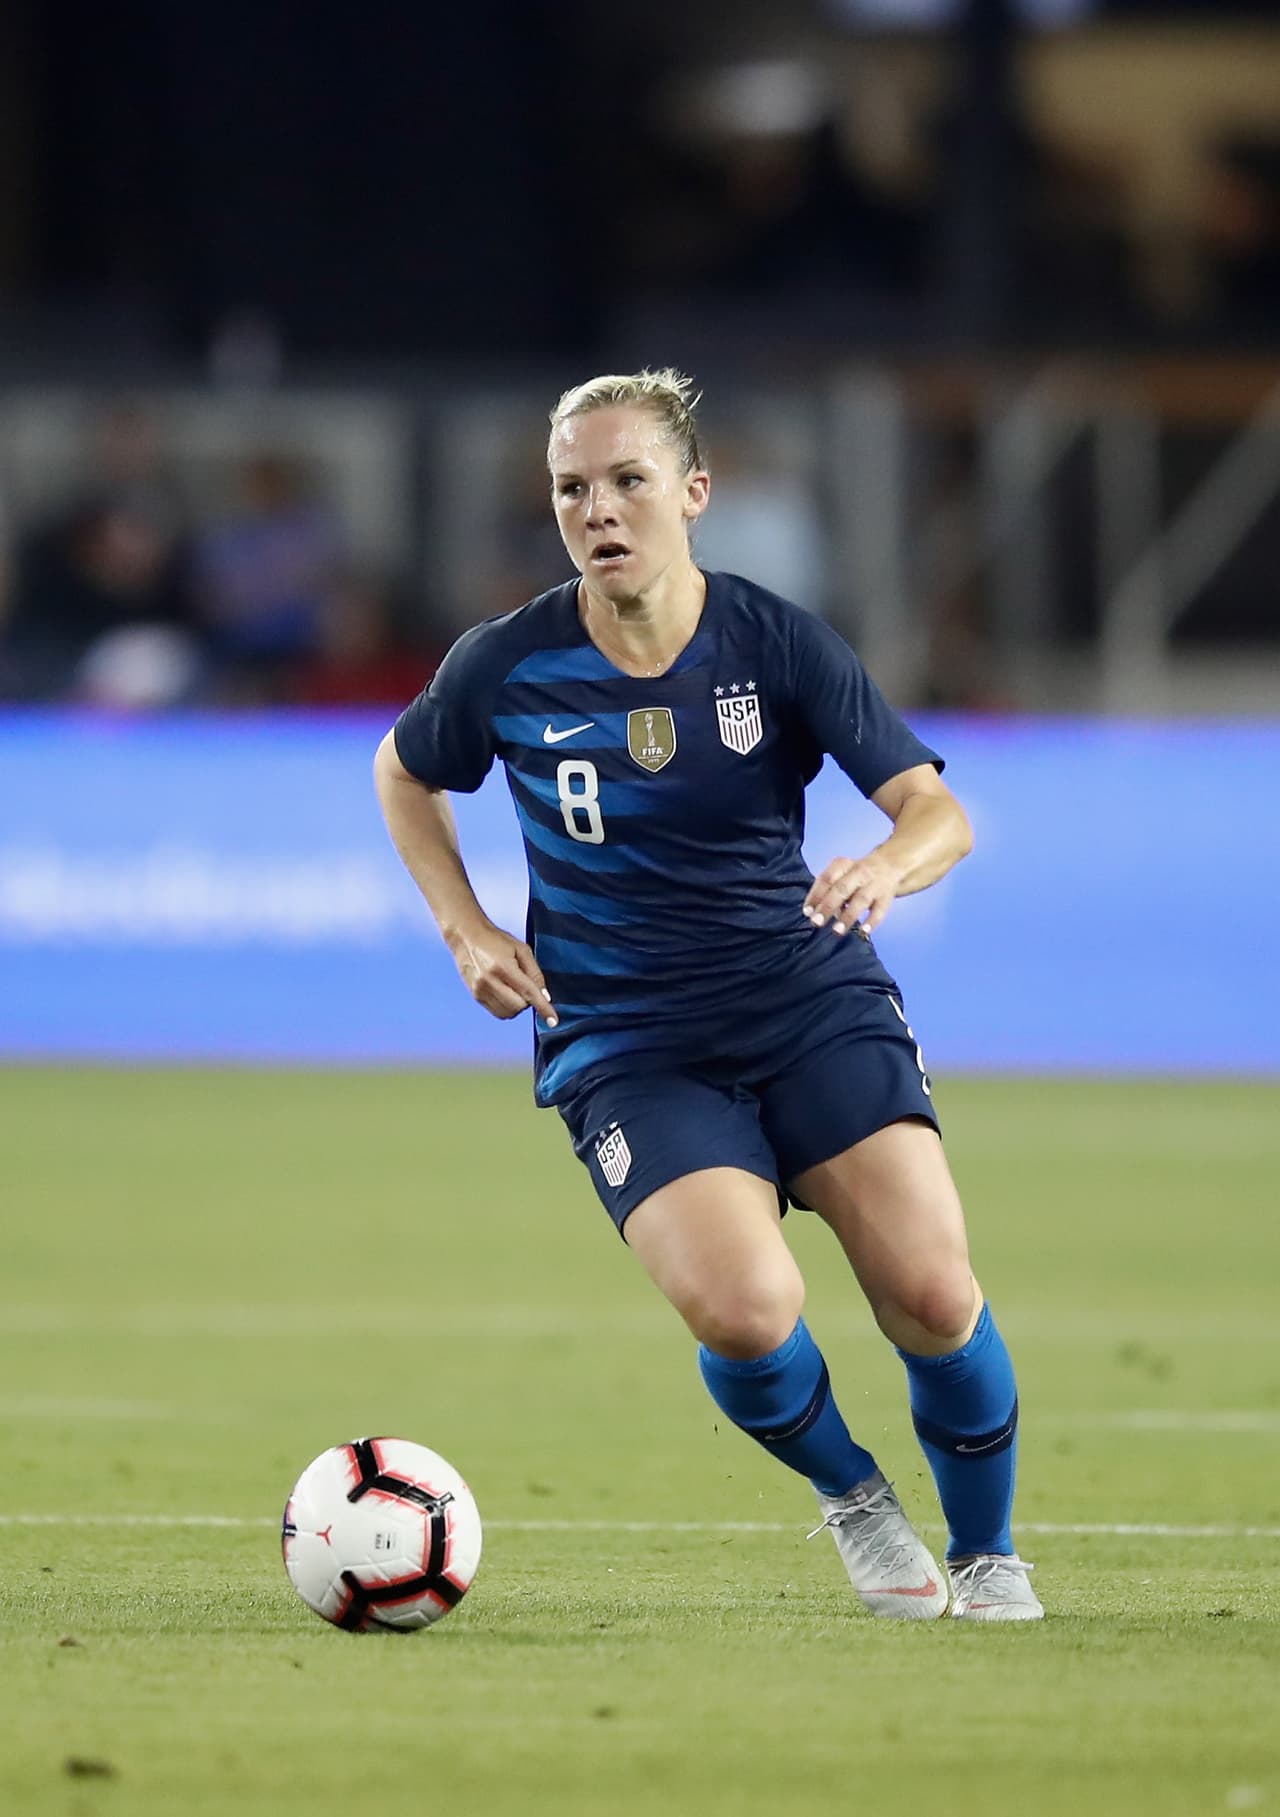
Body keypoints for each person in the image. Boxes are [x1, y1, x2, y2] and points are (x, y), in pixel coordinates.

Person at [374, 369, 1042, 1622]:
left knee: (934, 1294)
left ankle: (990, 1552)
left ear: (692, 491)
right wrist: (463, 929)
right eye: (572, 488)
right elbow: (403, 773)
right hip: (626, 1041)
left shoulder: (773, 640)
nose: (598, 509)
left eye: (627, 480)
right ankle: (849, 1490)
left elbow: (935, 809)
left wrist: (888, 862)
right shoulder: (506, 665)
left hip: (804, 998)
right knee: (743, 1310)